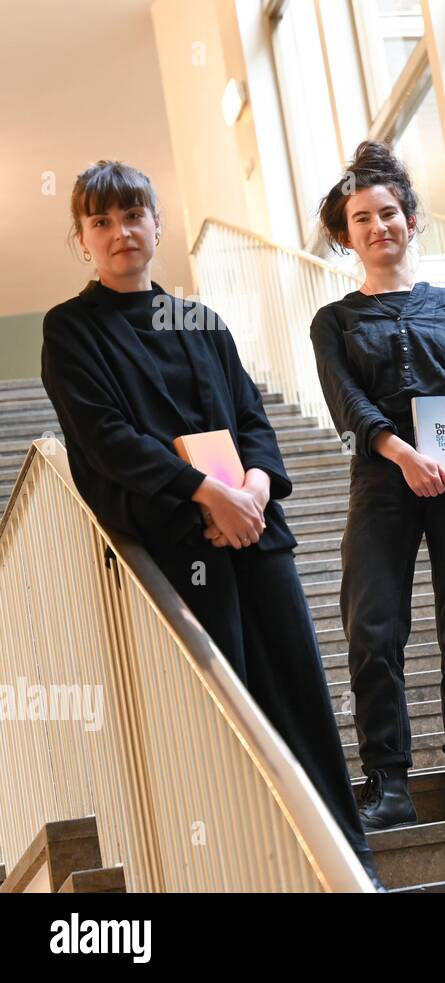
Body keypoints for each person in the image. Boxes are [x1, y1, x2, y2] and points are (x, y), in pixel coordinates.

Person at [40, 160, 383, 889]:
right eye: (100, 222)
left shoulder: (199, 319)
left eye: (132, 215)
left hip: (255, 531)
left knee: (301, 699)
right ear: (82, 240)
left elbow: (253, 421)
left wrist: (252, 490)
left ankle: (350, 868)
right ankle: (259, 871)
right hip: (173, 538)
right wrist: (205, 494)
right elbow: (105, 437)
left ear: (158, 224)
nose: (120, 232)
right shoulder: (70, 329)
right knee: (222, 716)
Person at [310, 141, 445, 828]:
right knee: (373, 629)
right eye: (362, 218)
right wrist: (401, 454)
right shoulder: (333, 321)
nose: (379, 226)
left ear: (411, 219)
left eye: (390, 212)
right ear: (347, 235)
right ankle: (388, 782)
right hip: (382, 481)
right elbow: (350, 406)